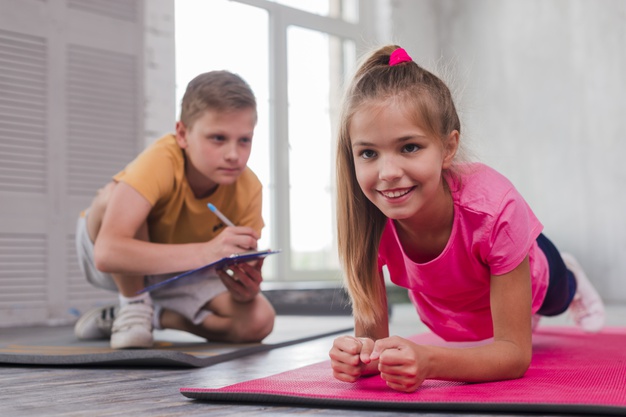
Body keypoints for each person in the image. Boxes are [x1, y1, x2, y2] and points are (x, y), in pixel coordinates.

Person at [329, 45, 606, 392]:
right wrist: (358, 355)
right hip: (454, 310)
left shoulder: (495, 210)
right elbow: (371, 343)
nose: (388, 172)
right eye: (368, 153)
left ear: (447, 149)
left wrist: (429, 361)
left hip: (536, 275)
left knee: (559, 295)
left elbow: (515, 355)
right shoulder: (367, 222)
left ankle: (569, 273)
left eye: (409, 147)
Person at [73, 71, 275, 349]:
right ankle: (133, 304)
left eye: (244, 140)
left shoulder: (249, 187)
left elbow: (238, 271)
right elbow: (107, 254)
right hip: (120, 263)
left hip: (185, 271)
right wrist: (207, 252)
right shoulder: (162, 159)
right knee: (111, 197)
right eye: (218, 138)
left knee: (260, 321)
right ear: (182, 134)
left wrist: (245, 291)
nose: (233, 154)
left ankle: (157, 315)